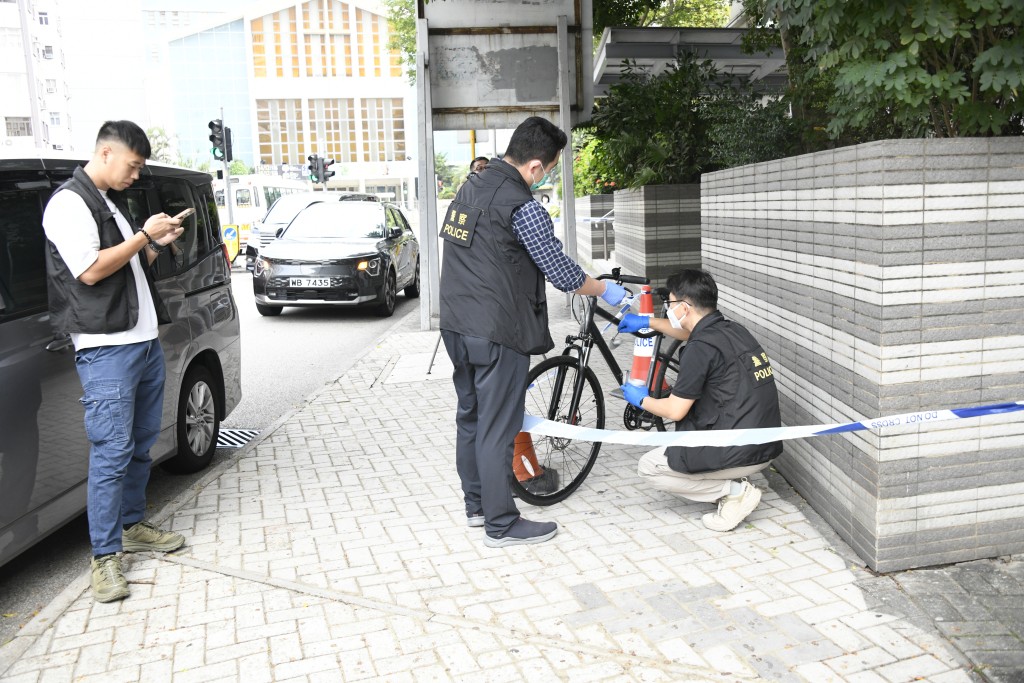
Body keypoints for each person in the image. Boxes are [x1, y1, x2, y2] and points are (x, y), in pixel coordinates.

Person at [440, 116, 627, 547]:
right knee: (498, 427)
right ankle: (501, 524)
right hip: (496, 332)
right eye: (550, 169)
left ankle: (477, 506)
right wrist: (606, 290)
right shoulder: (523, 206)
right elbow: (562, 272)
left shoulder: (471, 187)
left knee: (470, 417)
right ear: (538, 167)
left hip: (456, 326)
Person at [43, 121, 187, 602]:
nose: (136, 175)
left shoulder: (110, 204)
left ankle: (131, 525)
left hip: (141, 342)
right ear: (106, 153)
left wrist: (153, 244)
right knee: (110, 453)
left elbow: (125, 268)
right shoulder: (68, 203)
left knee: (141, 444)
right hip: (107, 348)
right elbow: (89, 271)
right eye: (133, 165)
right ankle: (104, 559)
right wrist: (142, 235)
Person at [618, 269, 783, 532]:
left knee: (650, 467)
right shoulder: (732, 330)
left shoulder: (700, 349)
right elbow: (690, 333)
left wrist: (641, 399)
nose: (668, 309)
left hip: (741, 451)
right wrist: (647, 323)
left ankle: (734, 491)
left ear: (684, 307)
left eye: (670, 304)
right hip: (765, 446)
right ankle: (730, 483)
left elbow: (674, 411)